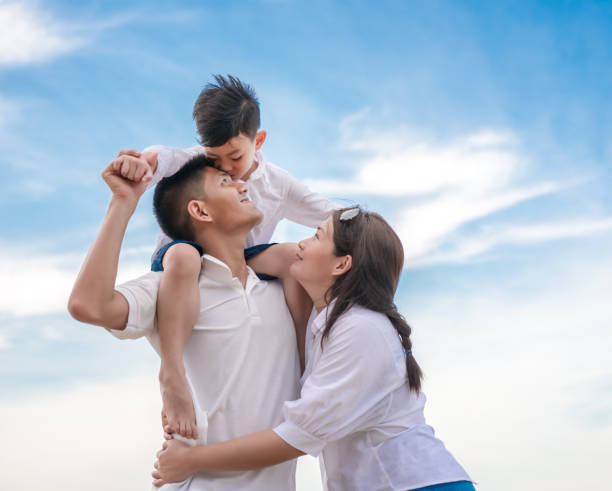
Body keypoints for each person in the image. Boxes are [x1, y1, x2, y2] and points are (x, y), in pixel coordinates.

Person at [152, 207, 475, 491]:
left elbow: (297, 435)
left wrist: (192, 460)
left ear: (341, 264)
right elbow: (236, 260)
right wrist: (185, 258)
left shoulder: (362, 329)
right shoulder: (328, 320)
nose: (302, 244)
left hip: (415, 485)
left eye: (318, 236)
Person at [114, 74, 337, 440]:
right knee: (186, 257)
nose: (227, 169)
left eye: (235, 157)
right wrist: (141, 163)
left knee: (291, 258)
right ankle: (171, 373)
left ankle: (302, 364)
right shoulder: (202, 162)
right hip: (184, 252)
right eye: (216, 159)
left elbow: (322, 210)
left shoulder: (277, 183)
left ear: (259, 140)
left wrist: (363, 221)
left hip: (242, 258)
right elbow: (164, 156)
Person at [68, 154, 308, 490]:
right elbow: (87, 305)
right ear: (200, 211)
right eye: (226, 183)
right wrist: (123, 202)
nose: (243, 186)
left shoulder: (282, 285)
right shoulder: (174, 288)